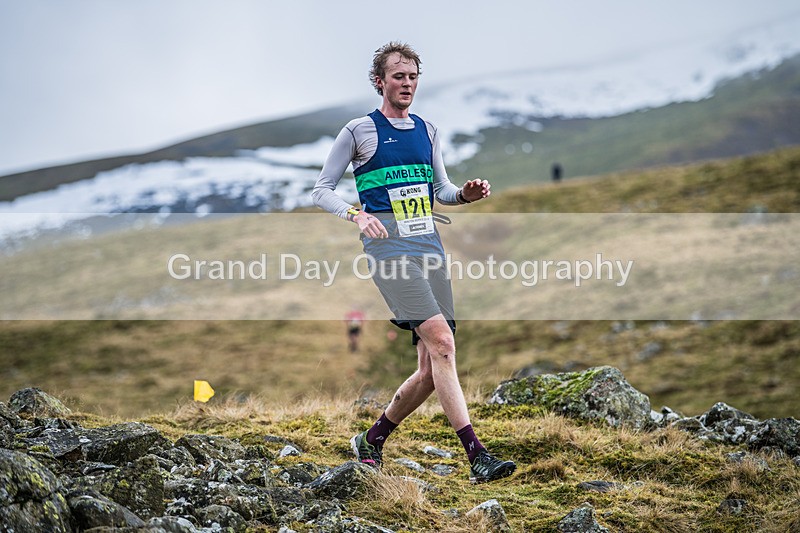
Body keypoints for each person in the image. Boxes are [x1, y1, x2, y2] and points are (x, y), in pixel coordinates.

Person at [312, 42, 516, 484]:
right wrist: (357, 214)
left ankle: (373, 439)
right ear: (379, 81)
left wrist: (464, 194)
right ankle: (477, 456)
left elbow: (440, 189)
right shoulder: (358, 131)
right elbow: (322, 189)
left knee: (429, 368)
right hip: (389, 251)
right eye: (398, 76)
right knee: (443, 343)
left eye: (413, 77)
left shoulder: (428, 131)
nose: (407, 84)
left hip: (430, 248)